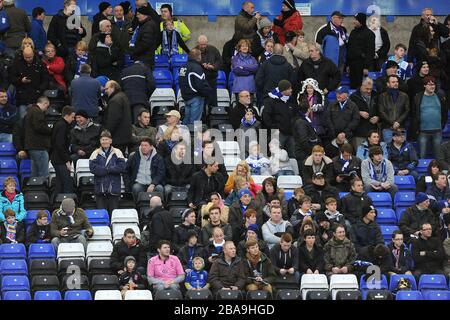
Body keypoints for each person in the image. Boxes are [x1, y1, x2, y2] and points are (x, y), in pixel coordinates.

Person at [89, 130, 126, 214]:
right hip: (100, 191)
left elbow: (122, 167)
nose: (104, 141)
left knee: (113, 214)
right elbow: (93, 168)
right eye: (103, 139)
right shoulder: (95, 153)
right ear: (100, 141)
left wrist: (107, 169)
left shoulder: (118, 152)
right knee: (101, 215)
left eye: (106, 139)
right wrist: (109, 169)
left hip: (114, 190)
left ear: (110, 141)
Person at [413, 76, 447, 159]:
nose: (432, 86)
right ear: (424, 86)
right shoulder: (418, 97)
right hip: (423, 131)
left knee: (439, 156)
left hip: (437, 130)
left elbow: (444, 112)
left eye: (433, 84)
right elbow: (414, 113)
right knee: (422, 155)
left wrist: (442, 124)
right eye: (429, 84)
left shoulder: (440, 95)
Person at [9, 47, 49, 118]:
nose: (28, 59)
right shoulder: (17, 64)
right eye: (26, 57)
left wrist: (39, 90)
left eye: (30, 57)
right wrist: (21, 80)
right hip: (22, 97)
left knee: (36, 120)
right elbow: (12, 79)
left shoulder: (40, 64)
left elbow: (46, 80)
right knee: (23, 120)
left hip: (36, 97)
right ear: (23, 55)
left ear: (33, 54)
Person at [179, 48, 214, 125]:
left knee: (187, 119)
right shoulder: (196, 67)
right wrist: (208, 93)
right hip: (195, 97)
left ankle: (183, 136)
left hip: (186, 97)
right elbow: (200, 85)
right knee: (195, 122)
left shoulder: (183, 67)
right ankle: (193, 137)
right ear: (198, 57)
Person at [263, 80, 296, 158]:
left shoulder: (291, 100)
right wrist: (274, 128)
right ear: (283, 90)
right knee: (276, 155)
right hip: (278, 133)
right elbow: (266, 117)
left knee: (292, 156)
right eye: (289, 89)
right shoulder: (271, 101)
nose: (291, 90)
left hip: (291, 133)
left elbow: (295, 114)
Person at [24, 96, 51, 178]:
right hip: (38, 146)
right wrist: (51, 130)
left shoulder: (30, 110)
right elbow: (40, 127)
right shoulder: (37, 111)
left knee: (35, 172)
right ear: (45, 103)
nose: (47, 109)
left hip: (32, 145)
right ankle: (42, 188)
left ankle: (34, 189)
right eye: (47, 106)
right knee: (43, 173)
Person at [51, 106, 76, 194]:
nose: (73, 119)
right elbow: (60, 145)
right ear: (67, 115)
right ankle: (65, 204)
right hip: (60, 159)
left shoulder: (60, 124)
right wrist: (66, 160)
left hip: (57, 158)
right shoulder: (62, 126)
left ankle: (58, 203)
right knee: (66, 184)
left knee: (60, 183)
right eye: (72, 117)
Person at [378, 75, 410, 143]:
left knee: (402, 150)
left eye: (397, 82)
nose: (396, 83)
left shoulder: (404, 96)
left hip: (401, 127)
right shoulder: (382, 96)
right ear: (388, 84)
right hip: (387, 128)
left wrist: (398, 122)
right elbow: (381, 112)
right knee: (389, 150)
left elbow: (407, 111)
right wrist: (393, 123)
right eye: (393, 82)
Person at [347, 13, 375, 89]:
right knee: (352, 86)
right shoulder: (353, 32)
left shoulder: (369, 34)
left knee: (361, 86)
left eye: (356, 20)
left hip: (362, 65)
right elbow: (349, 48)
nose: (354, 21)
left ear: (361, 21)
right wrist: (348, 64)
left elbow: (370, 51)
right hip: (352, 65)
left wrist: (366, 67)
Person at [103, 80, 132, 154]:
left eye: (106, 89)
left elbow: (113, 120)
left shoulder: (115, 100)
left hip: (117, 138)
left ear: (112, 87)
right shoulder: (123, 96)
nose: (105, 91)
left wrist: (106, 134)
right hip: (124, 137)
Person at [350, 78, 379, 146]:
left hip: (373, 131)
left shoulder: (376, 95)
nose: (369, 91)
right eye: (367, 88)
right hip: (359, 131)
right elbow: (349, 112)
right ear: (361, 86)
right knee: (360, 154)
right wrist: (359, 113)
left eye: (370, 89)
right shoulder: (353, 97)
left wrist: (378, 117)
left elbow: (380, 110)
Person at [195, 35, 222, 107]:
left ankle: (213, 115)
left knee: (212, 101)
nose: (203, 46)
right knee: (201, 102)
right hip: (199, 80)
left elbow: (219, 61)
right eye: (201, 44)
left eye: (204, 44)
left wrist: (213, 66)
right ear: (198, 43)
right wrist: (201, 64)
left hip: (212, 79)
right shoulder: (194, 51)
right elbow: (191, 63)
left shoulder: (213, 49)